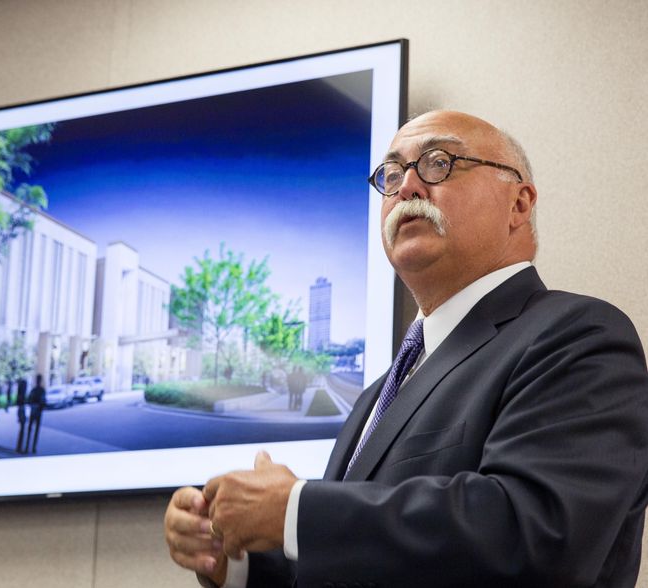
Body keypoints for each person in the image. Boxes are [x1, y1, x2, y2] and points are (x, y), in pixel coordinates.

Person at [164, 111, 648, 587]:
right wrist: (234, 555)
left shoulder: (579, 336)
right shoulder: (377, 394)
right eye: (392, 175)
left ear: (518, 204)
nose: (408, 189)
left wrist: (298, 510)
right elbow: (358, 563)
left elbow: (536, 535)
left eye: (439, 163)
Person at [25, 373, 46, 454]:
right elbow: (29, 400)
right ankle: (27, 446)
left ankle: (33, 447)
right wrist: (33, 405)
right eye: (37, 380)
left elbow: (43, 402)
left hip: (38, 413)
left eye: (38, 380)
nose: (38, 381)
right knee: (30, 430)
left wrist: (39, 406)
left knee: (36, 430)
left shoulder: (41, 390)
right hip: (33, 412)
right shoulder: (34, 390)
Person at [15, 376, 29, 454]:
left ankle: (19, 447)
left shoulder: (20, 395)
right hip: (21, 411)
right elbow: (21, 406)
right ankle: (19, 448)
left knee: (22, 430)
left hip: (21, 411)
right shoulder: (22, 396)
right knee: (22, 430)